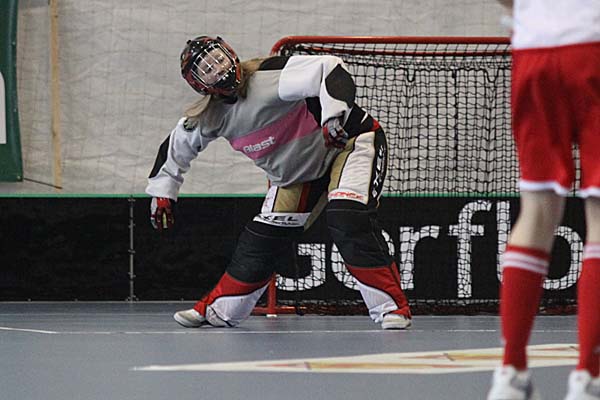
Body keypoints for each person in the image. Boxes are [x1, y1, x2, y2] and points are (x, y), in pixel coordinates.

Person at [145, 36, 412, 330]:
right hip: (296, 174)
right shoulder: (210, 117)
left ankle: (392, 309)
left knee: (347, 216)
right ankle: (218, 311)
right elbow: (175, 148)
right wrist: (163, 192)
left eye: (218, 59)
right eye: (207, 69)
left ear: (231, 54)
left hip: (348, 144)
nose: (217, 68)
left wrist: (333, 116)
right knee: (263, 238)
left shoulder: (270, 77)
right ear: (199, 84)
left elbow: (329, 68)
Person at [487, 1, 600, 399]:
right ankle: (589, 377)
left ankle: (511, 372)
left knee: (536, 209)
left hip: (534, 51)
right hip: (593, 45)